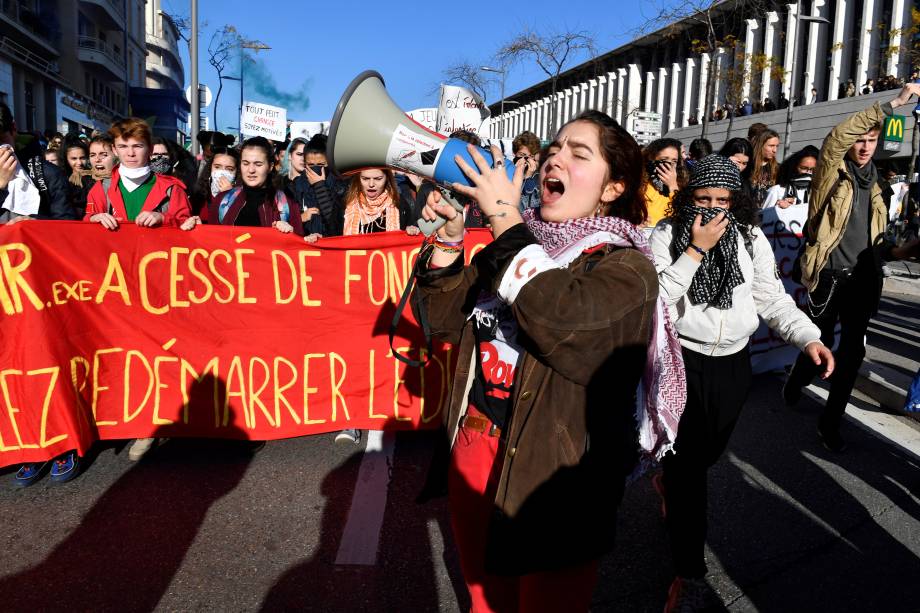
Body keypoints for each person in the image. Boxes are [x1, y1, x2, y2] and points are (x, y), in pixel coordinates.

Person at [414, 109, 680, 613]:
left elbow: (563, 323)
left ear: (613, 187)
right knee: (484, 600)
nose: (556, 157)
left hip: (556, 471)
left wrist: (505, 224)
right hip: (477, 441)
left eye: (580, 154)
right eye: (555, 149)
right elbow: (444, 321)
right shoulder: (516, 241)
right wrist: (450, 241)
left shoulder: (628, 267)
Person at [649, 155, 833, 611]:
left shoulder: (750, 239)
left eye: (722, 201)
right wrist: (694, 251)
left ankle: (671, 482)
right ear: (687, 198)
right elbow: (656, 304)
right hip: (682, 360)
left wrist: (808, 337)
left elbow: (772, 298)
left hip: (733, 365)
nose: (712, 210)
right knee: (690, 469)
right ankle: (688, 573)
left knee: (708, 455)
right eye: (703, 199)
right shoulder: (666, 235)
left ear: (737, 202)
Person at [784, 83, 920, 452]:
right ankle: (797, 381)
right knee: (820, 342)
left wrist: (902, 251)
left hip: (863, 280)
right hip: (828, 276)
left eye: (871, 141)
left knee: (853, 355)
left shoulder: (880, 185)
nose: (863, 147)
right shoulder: (831, 170)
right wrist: (894, 103)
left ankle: (830, 422)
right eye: (860, 139)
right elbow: (837, 137)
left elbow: (875, 241)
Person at [1, 105, 81, 485]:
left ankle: (61, 441)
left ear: (13, 132)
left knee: (44, 363)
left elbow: (68, 229)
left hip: (40, 294)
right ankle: (24, 444)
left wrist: (33, 228)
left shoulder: (44, 174)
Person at [184, 136, 304, 237]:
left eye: (258, 164)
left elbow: (300, 252)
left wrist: (291, 235)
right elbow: (212, 244)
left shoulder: (288, 205)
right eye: (245, 163)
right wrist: (199, 231)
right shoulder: (222, 201)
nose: (251, 170)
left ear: (271, 166)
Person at [291, 133, 343, 238]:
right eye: (310, 165)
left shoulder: (341, 186)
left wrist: (320, 186)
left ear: (329, 162)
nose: (315, 169)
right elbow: (283, 220)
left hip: (331, 247)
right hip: (304, 248)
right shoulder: (295, 186)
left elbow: (337, 225)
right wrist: (300, 218)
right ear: (305, 163)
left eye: (320, 165)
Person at [641, 138, 685, 231]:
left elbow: (683, 212)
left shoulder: (682, 185)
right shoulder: (640, 183)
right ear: (652, 159)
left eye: (674, 161)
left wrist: (673, 186)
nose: (669, 164)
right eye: (664, 159)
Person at [762, 145, 819, 209]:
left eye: (812, 169)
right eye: (804, 168)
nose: (808, 172)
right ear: (794, 167)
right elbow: (763, 216)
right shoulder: (777, 191)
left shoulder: (817, 193)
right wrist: (777, 208)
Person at [191, 146, 240, 218]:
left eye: (229, 169)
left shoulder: (242, 196)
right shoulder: (199, 194)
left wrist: (230, 196)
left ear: (237, 172)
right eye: (217, 167)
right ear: (210, 167)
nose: (222, 173)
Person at [61, 135, 94, 219]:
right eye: (74, 159)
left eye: (82, 158)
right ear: (66, 159)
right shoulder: (61, 179)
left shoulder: (94, 177)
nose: (79, 162)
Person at [749, 129, 780, 205]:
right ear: (760, 145)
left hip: (769, 213)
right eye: (771, 146)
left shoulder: (778, 169)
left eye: (777, 146)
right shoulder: (747, 166)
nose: (775, 150)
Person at [512, 131, 542, 211]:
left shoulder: (538, 177)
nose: (526, 159)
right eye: (522, 155)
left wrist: (528, 177)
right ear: (514, 154)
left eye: (530, 156)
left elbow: (528, 207)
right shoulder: (506, 171)